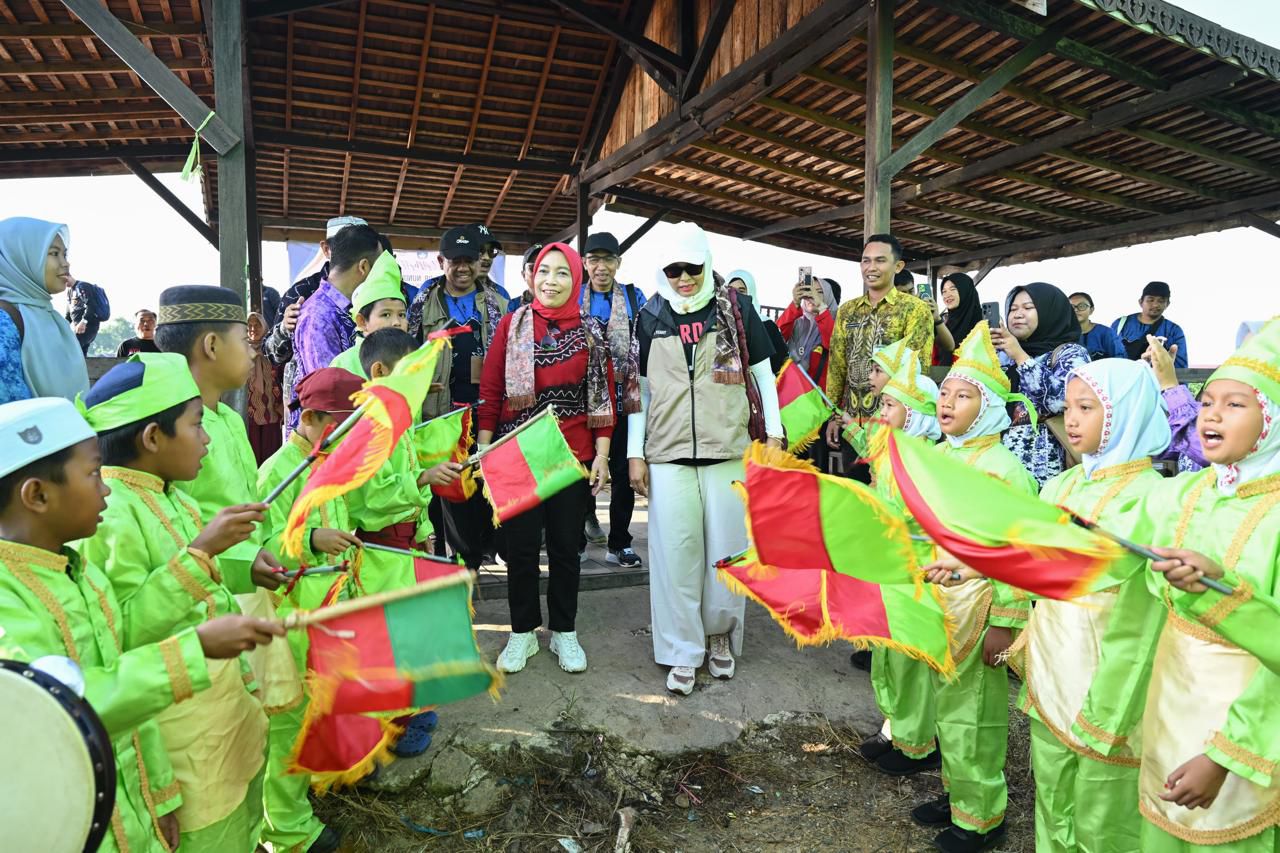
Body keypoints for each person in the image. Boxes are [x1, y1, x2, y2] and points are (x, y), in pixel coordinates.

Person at [0, 396, 283, 853]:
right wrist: (195, 648)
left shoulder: (79, 572)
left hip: (138, 808)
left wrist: (160, 794)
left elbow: (130, 696)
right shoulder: (7, 603)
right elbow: (57, 712)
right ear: (37, 495)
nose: (105, 489)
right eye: (93, 474)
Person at [75, 353, 280, 852]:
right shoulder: (110, 516)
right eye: (196, 425)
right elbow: (118, 631)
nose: (207, 437)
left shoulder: (176, 496)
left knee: (245, 823)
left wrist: (242, 562)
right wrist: (204, 551)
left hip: (224, 716)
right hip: (184, 739)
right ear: (152, 439)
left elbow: (196, 574)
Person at [1134, 317, 1280, 852]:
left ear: (1273, 419)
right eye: (1208, 399)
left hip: (1247, 731)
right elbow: (1107, 552)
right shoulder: (1189, 492)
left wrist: (1225, 756)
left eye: (1236, 404)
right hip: (1170, 708)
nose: (1212, 414)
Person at [1017, 359, 1170, 853]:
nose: (1074, 419)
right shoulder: (1061, 485)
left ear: (1127, 413)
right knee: (1052, 786)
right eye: (1070, 407)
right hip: (1053, 661)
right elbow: (1028, 556)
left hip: (1108, 671)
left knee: (1104, 807)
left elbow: (1131, 593)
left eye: (1089, 407)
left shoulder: (1155, 497)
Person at [627, 222, 783, 696]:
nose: (683, 278)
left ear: (706, 263)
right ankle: (680, 650)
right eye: (673, 270)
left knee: (725, 555)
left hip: (727, 451)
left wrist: (773, 433)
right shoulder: (649, 316)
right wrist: (636, 455)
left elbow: (763, 371)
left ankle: (719, 637)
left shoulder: (735, 309)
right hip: (669, 454)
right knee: (675, 557)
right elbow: (642, 393)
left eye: (691, 268)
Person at [913, 323, 1037, 853]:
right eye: (944, 392)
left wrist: (1006, 623)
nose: (947, 402)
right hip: (942, 604)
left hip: (981, 611)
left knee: (975, 718)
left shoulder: (1004, 468)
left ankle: (982, 816)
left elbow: (1017, 550)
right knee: (948, 710)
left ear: (987, 408)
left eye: (964, 396)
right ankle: (955, 792)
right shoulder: (944, 455)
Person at [478, 243, 613, 674]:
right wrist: (484, 449)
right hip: (516, 452)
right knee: (519, 549)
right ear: (532, 277)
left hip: (570, 455)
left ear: (576, 279)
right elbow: (493, 391)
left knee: (564, 547)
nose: (550, 281)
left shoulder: (591, 331)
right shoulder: (510, 325)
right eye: (543, 272)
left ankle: (563, 633)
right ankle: (522, 633)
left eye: (561, 274)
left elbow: (602, 397)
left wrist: (603, 456)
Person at [256, 367, 362, 853]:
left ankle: (306, 794)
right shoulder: (280, 472)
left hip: (325, 613)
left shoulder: (328, 464)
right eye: (344, 426)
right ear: (315, 418)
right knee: (285, 723)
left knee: (313, 713)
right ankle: (287, 831)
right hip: (291, 621)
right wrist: (312, 541)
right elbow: (260, 550)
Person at [154, 285, 284, 596]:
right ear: (212, 346)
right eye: (244, 341)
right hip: (200, 594)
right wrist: (242, 564)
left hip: (249, 587)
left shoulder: (230, 418)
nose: (253, 351)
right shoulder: (171, 431)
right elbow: (169, 534)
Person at [859, 353, 947, 778]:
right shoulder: (888, 452)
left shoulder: (927, 459)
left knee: (910, 661)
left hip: (916, 570)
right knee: (885, 655)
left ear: (914, 414)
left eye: (891, 406)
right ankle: (892, 726)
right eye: (883, 404)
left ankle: (918, 744)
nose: (882, 411)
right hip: (889, 566)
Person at [409, 225, 510, 573]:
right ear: (441, 261)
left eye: (469, 260)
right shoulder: (422, 303)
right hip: (438, 412)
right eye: (455, 261)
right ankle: (441, 561)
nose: (463, 268)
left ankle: (475, 557)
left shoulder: (499, 302)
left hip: (484, 413)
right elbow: (409, 356)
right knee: (441, 490)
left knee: (480, 486)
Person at [825, 234, 933, 453]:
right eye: (866, 260)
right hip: (850, 423)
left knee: (887, 486)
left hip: (894, 429)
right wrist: (833, 416)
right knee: (853, 486)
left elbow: (915, 371)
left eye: (880, 260)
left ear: (898, 266)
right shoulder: (847, 311)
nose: (871, 267)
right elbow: (837, 368)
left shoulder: (914, 310)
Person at [266, 215, 367, 435]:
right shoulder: (300, 292)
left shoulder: (372, 289)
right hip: (317, 415)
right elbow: (271, 353)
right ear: (326, 248)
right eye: (342, 242)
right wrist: (284, 330)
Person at [580, 232, 645, 565]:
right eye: (594, 259)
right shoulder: (573, 298)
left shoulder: (635, 298)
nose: (601, 267)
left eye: (608, 260)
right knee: (578, 471)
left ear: (618, 264)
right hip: (581, 402)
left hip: (623, 400)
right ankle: (577, 537)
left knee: (622, 474)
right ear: (584, 263)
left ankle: (619, 542)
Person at [992, 283, 1090, 487]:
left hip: (1046, 464)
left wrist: (1020, 356)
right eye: (1013, 309)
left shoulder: (1070, 353)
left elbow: (1061, 401)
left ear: (1050, 312)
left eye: (1028, 308)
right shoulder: (1001, 354)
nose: (1017, 315)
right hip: (999, 463)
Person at [0, 216, 87, 400]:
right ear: (19, 258)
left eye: (65, 254)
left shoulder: (51, 318)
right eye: (54, 254)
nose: (65, 263)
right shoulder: (4, 321)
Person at [294, 224, 382, 386]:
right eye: (380, 268)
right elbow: (327, 391)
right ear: (363, 267)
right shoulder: (317, 316)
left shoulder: (351, 307)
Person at [330, 251, 409, 378]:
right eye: (386, 315)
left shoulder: (409, 360)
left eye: (402, 315)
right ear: (362, 322)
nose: (397, 322)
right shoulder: (343, 364)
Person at [777, 275, 840, 385]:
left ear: (828, 296)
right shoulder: (798, 320)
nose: (811, 296)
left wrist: (821, 308)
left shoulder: (837, 321)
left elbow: (833, 345)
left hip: (819, 394)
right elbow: (776, 339)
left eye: (819, 292)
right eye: (808, 290)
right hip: (791, 388)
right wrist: (795, 304)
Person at [1110, 281, 1187, 367]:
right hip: (1123, 378)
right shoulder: (1120, 324)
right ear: (1141, 302)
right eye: (1150, 300)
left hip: (1155, 380)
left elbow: (1180, 367)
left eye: (1161, 301)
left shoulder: (1174, 330)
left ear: (1167, 304)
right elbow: (1108, 357)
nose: (1155, 305)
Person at [726, 269, 788, 374]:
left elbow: (778, 363)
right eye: (731, 290)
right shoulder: (720, 323)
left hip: (760, 385)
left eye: (741, 291)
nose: (736, 296)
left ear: (751, 292)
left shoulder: (766, 324)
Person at [245, 311, 284, 465]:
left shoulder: (272, 351)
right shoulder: (241, 352)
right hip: (250, 414)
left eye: (257, 325)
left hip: (271, 412)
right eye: (249, 326)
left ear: (265, 327)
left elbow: (282, 377)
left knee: (271, 458)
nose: (253, 329)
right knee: (252, 459)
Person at [939, 272, 982, 365]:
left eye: (952, 289)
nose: (947, 295)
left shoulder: (982, 323)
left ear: (965, 290)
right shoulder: (943, 325)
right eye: (944, 291)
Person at [1069, 292, 1125, 360]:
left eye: (1082, 306)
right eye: (1071, 307)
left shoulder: (1106, 333)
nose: (1076, 310)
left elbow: (1121, 360)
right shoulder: (1061, 335)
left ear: (1091, 310)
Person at [62, 272, 105, 355]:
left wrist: (83, 322)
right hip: (78, 329)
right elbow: (69, 314)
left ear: (68, 276)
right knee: (80, 354)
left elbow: (91, 305)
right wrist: (62, 326)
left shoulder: (82, 287)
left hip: (88, 326)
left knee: (72, 348)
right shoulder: (70, 292)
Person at [508, 243, 542, 312]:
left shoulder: (561, 305)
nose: (539, 272)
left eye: (544, 268)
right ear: (524, 275)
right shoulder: (511, 307)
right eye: (532, 267)